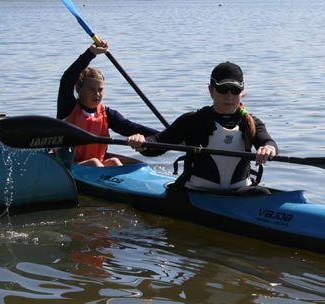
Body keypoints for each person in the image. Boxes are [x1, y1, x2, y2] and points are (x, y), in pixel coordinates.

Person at [127, 62, 277, 194]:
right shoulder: (193, 120)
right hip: (195, 191)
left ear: (242, 92)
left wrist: (268, 148)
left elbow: (268, 142)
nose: (230, 96)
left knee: (263, 193)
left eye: (235, 90)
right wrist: (142, 142)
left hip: (238, 192)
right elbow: (157, 143)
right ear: (211, 90)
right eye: (223, 89)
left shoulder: (251, 122)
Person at [57, 40, 159, 167]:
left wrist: (168, 137)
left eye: (100, 90)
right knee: (95, 163)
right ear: (79, 89)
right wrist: (91, 53)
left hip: (95, 167)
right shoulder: (67, 108)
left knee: (115, 162)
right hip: (68, 165)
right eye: (91, 90)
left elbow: (132, 128)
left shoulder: (107, 114)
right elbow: (67, 79)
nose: (97, 94)